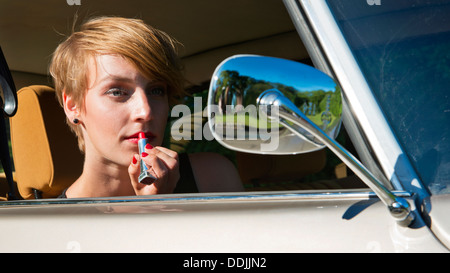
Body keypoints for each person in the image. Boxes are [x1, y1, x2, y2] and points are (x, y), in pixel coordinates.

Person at [49, 16, 243, 198]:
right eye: (117, 92)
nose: (146, 112)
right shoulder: (52, 224)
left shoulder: (213, 177)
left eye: (157, 91)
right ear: (73, 105)